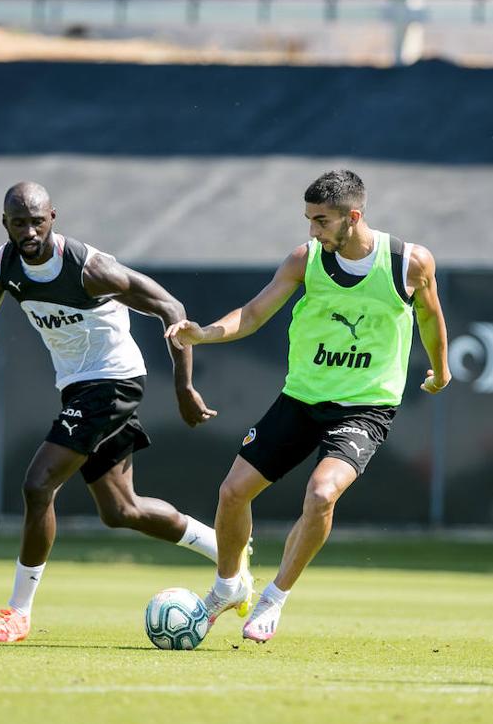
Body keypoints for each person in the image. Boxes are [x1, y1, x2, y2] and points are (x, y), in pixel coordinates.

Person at [166, 169, 451, 643]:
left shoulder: (409, 262)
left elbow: (429, 314)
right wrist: (206, 332)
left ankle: (274, 598)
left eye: (321, 221)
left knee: (321, 494)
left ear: (353, 217)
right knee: (233, 492)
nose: (312, 231)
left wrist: (441, 371)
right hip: (301, 398)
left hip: (365, 406)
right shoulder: (305, 260)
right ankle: (228, 587)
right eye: (308, 220)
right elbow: (254, 314)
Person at [0, 181, 230, 643]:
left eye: (38, 221)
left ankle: (17, 614)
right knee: (122, 510)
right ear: (6, 225)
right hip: (78, 387)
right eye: (20, 223)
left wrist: (183, 386)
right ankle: (227, 548)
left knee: (37, 485)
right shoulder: (2, 267)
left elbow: (170, 306)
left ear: (53, 217)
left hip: (113, 383)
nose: (30, 231)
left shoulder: (88, 268)